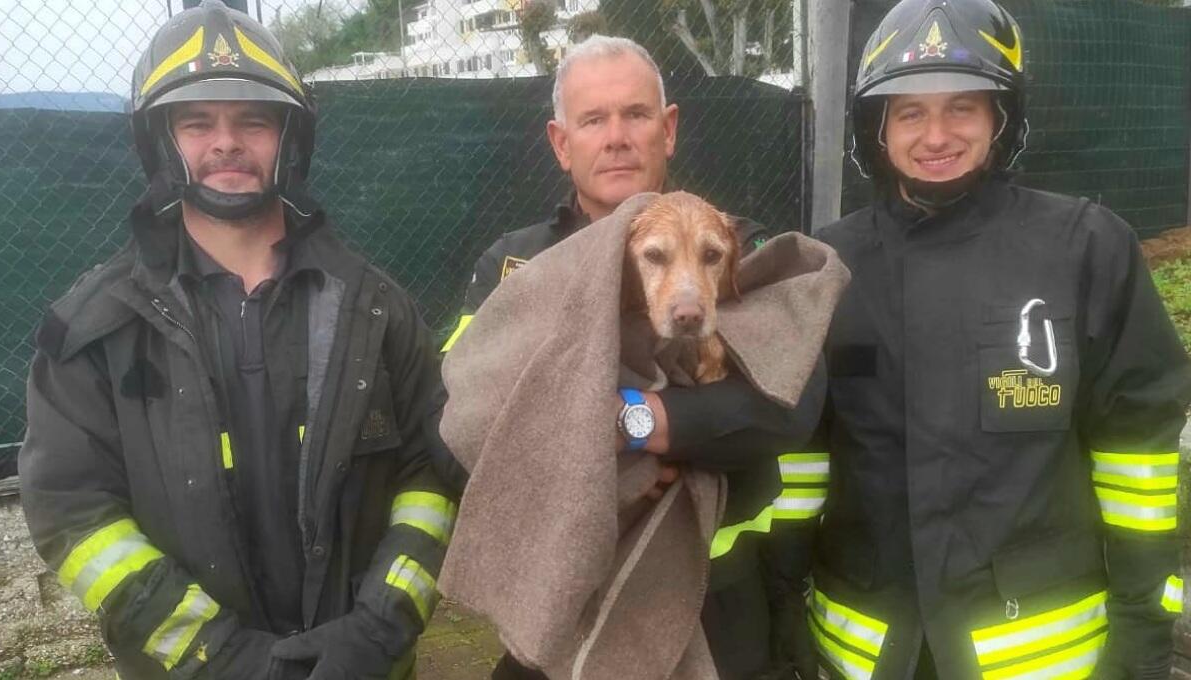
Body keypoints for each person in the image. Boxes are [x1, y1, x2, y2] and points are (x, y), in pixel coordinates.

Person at [17, 2, 458, 678]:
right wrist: (225, 658)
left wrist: (378, 630)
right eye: (197, 123)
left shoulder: (378, 309)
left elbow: (430, 476)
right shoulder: (93, 331)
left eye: (253, 120)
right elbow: (74, 513)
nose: (226, 142)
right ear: (163, 142)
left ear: (289, 138)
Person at [808, 0, 1191, 677]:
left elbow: (1141, 462)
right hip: (866, 653)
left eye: (962, 106)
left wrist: (1141, 641)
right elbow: (797, 461)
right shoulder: (827, 266)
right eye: (910, 111)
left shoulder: (1086, 249)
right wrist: (781, 625)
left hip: (1045, 657)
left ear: (1001, 118)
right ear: (877, 127)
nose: (936, 134)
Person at [444, 35, 824, 680]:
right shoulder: (514, 268)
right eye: (594, 119)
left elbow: (790, 407)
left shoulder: (740, 248)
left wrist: (635, 423)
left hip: (719, 594)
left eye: (637, 114)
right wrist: (620, 462)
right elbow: (461, 420)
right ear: (563, 143)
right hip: (567, 592)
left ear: (668, 129)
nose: (617, 137)